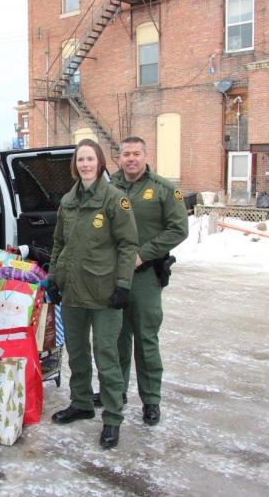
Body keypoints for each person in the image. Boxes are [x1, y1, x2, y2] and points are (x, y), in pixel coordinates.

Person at [47, 138, 138, 449]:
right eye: (80, 159)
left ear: (99, 163)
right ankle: (81, 402)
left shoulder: (114, 199)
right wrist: (53, 278)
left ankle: (112, 417)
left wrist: (123, 284)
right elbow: (59, 243)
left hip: (104, 293)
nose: (85, 164)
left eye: (90, 159)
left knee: (106, 355)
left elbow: (128, 245)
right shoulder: (68, 201)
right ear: (75, 164)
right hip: (72, 292)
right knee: (77, 352)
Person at [110, 136, 189, 426]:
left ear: (145, 155)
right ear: (118, 158)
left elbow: (179, 229)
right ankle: (115, 394)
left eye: (136, 154)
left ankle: (151, 400)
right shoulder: (108, 188)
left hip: (144, 277)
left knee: (145, 340)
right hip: (113, 276)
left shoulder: (163, 189)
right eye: (126, 154)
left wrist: (143, 255)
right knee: (116, 339)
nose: (131, 159)